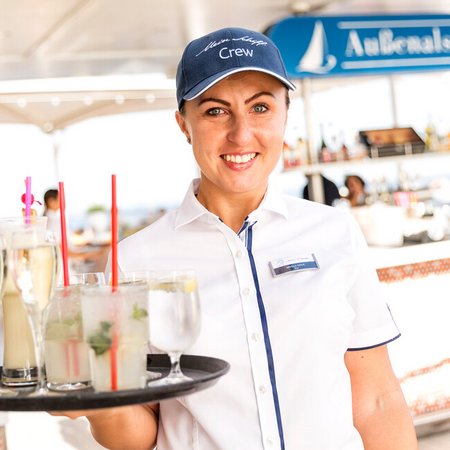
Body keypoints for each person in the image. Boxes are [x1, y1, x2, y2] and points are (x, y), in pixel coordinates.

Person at [52, 27, 418, 449]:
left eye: (260, 107)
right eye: (215, 111)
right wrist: (103, 401)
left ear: (285, 114)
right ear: (183, 124)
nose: (241, 135)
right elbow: (139, 435)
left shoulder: (335, 232)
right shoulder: (134, 261)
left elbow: (376, 400)